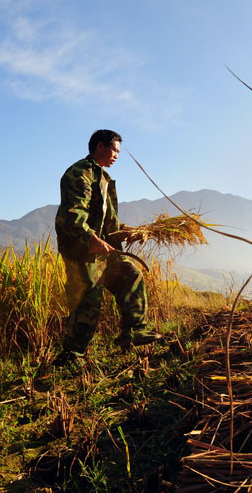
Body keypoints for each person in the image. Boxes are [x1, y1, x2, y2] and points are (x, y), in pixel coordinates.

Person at [54, 129, 162, 362]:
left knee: (130, 273)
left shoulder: (104, 179)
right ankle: (72, 355)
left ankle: (133, 331)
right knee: (88, 300)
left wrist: (128, 231)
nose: (116, 155)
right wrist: (91, 239)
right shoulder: (80, 173)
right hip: (81, 249)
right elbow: (74, 216)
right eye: (114, 150)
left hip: (102, 248)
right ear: (100, 147)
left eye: (118, 152)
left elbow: (107, 222)